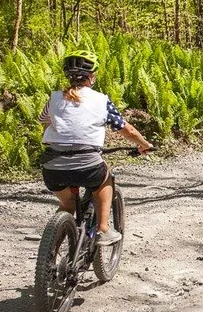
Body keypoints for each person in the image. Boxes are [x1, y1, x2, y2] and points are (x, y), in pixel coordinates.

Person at [39, 48, 153, 246]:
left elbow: (44, 121)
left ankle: (52, 249)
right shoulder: (101, 100)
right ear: (91, 77)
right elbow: (127, 130)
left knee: (68, 204)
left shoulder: (54, 98)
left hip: (52, 166)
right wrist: (145, 145)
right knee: (105, 177)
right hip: (87, 164)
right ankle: (103, 229)